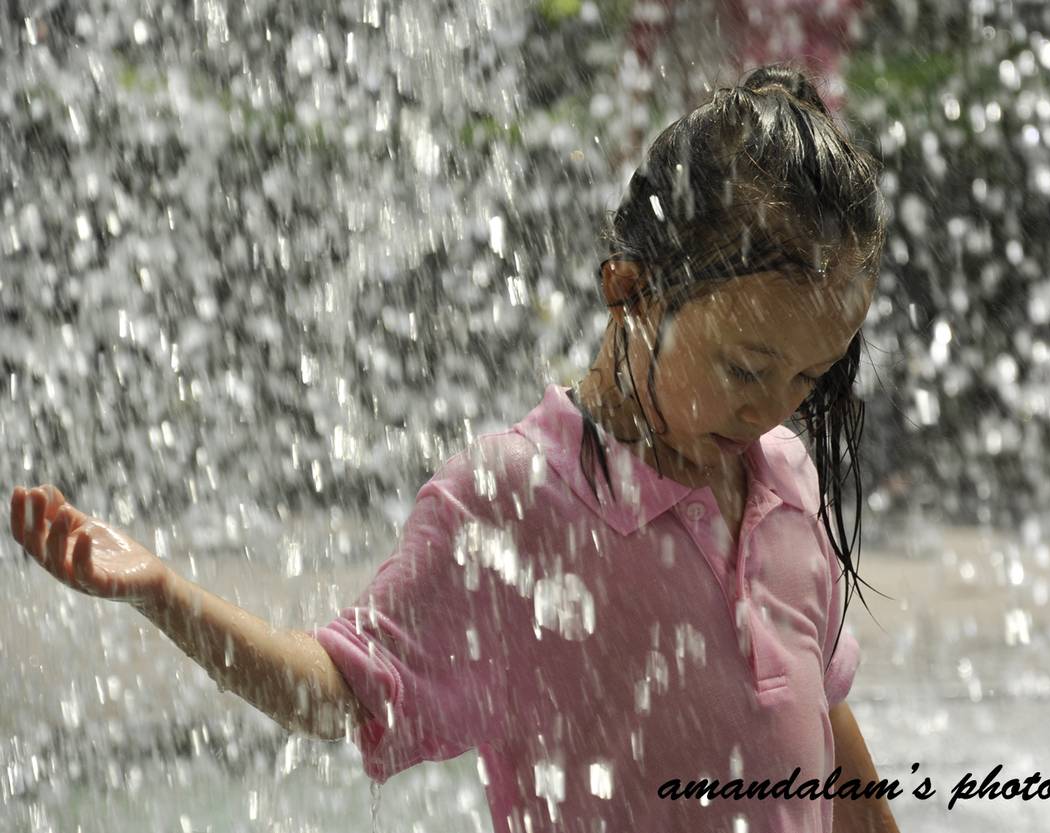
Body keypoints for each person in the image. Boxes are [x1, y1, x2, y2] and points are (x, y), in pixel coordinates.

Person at [8, 64, 899, 832]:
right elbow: (340, 689)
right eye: (746, 368)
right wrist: (167, 594)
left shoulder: (783, 479)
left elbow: (825, 726)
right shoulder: (517, 502)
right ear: (631, 290)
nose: (771, 407)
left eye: (808, 377)